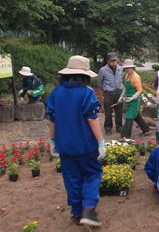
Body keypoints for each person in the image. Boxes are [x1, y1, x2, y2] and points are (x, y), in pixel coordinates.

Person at [46, 55, 105, 227]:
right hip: (86, 145)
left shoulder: (56, 93)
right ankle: (88, 209)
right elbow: (92, 119)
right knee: (92, 175)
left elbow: (52, 119)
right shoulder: (86, 92)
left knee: (72, 178)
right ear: (84, 75)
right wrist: (101, 142)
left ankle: (77, 212)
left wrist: (52, 142)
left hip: (65, 146)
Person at [119, 59, 149, 139]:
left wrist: (132, 98)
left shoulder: (136, 77)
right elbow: (125, 87)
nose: (127, 69)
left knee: (129, 117)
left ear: (132, 67)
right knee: (136, 116)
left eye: (128, 68)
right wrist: (121, 96)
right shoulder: (126, 75)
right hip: (127, 98)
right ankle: (146, 129)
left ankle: (125, 136)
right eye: (125, 68)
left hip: (135, 100)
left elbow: (140, 90)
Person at [97, 52, 124, 135]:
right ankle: (108, 128)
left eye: (115, 61)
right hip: (108, 92)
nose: (113, 62)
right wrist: (105, 90)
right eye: (112, 61)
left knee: (119, 111)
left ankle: (119, 127)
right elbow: (99, 82)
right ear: (108, 61)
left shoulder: (120, 69)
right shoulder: (103, 70)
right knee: (108, 111)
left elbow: (123, 79)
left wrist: (122, 88)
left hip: (118, 91)